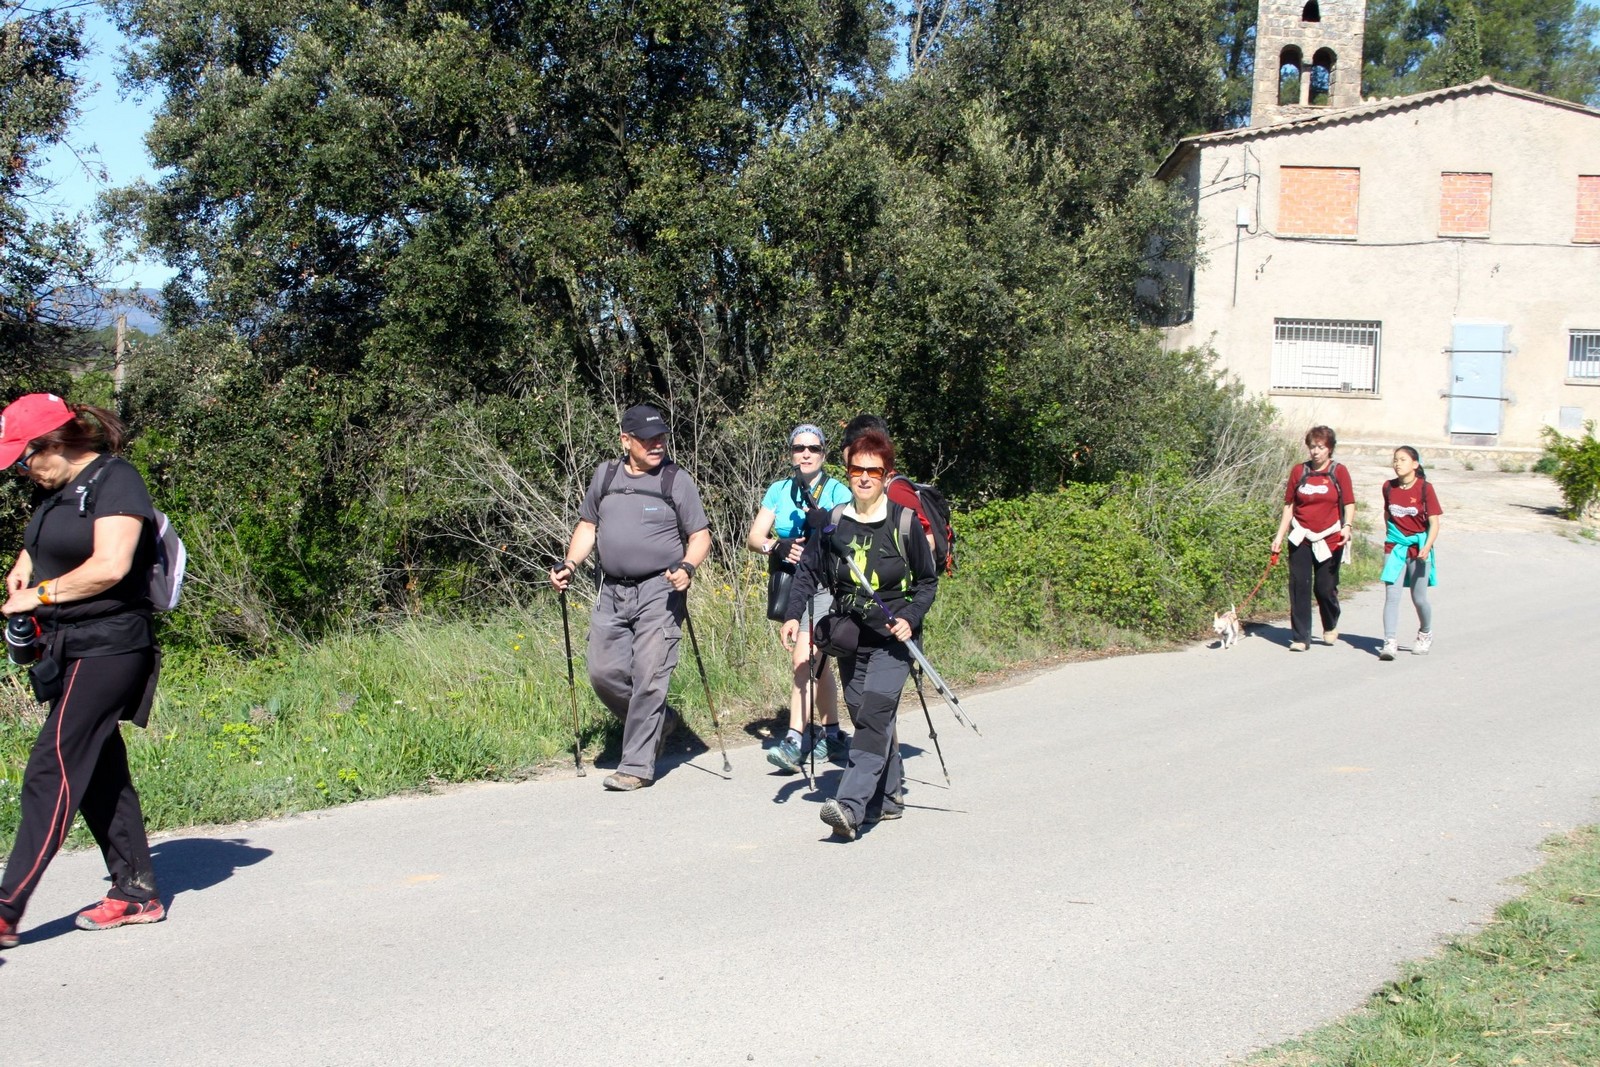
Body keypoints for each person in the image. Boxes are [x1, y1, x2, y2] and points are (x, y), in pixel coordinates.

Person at [0, 394, 165, 949]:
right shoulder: (55, 491)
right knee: (96, 771)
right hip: (64, 647)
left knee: (52, 766)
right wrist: (22, 571)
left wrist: (41, 594)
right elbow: (45, 545)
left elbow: (111, 565)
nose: (22, 470)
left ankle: (6, 907)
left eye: (24, 458)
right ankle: (136, 890)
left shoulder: (117, 480)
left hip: (111, 646)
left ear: (55, 443)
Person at [782, 428, 938, 841]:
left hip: (894, 639)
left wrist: (911, 617)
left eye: (874, 471)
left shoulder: (903, 522)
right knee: (862, 711)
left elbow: (927, 582)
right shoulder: (835, 522)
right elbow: (809, 570)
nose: (865, 478)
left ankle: (850, 807)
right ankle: (888, 797)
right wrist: (793, 615)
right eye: (857, 470)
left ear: (887, 475)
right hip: (851, 636)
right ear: (848, 472)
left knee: (872, 716)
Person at [549, 405, 712, 791]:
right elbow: (588, 525)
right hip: (611, 589)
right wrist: (570, 563)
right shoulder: (605, 475)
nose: (657, 445)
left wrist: (687, 567)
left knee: (649, 675)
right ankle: (660, 721)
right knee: (603, 673)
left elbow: (700, 535)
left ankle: (636, 765)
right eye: (648, 439)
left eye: (661, 438)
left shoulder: (676, 479)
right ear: (626, 440)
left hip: (660, 590)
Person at [745, 423, 852, 773]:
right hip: (793, 585)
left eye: (813, 448)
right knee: (817, 662)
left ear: (824, 453)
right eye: (798, 448)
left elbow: (849, 538)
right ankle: (832, 734)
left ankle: (794, 741)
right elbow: (754, 537)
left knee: (803, 659)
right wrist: (776, 546)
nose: (805, 454)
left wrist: (822, 534)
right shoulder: (779, 490)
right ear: (790, 452)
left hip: (824, 585)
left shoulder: (836, 490)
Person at [1270, 425, 1356, 651]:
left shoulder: (1339, 472)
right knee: (1299, 585)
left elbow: (1349, 503)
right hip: (1301, 536)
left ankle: (1330, 623)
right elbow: (1289, 505)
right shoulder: (1299, 471)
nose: (1315, 451)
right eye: (1312, 447)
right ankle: (1300, 637)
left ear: (1330, 449)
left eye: (1320, 447)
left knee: (1324, 588)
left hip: (1330, 537)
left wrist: (1347, 526)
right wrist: (1279, 536)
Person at [1378, 446, 1442, 660]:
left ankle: (1425, 633)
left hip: (1419, 548)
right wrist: (1393, 536)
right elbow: (1387, 514)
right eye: (1395, 460)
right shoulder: (1388, 487)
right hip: (1395, 547)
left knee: (1419, 598)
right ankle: (1389, 641)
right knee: (1392, 595)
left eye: (1403, 460)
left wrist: (1427, 546)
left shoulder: (1425, 489)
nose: (1397, 463)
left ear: (1415, 464)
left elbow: (1434, 523)